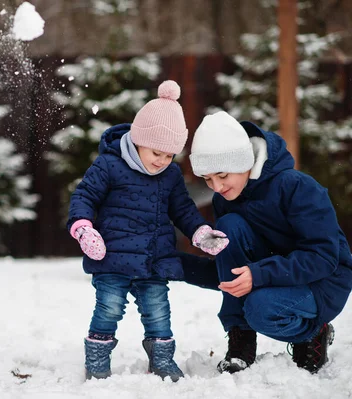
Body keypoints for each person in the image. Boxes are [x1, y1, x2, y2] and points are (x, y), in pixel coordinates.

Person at [67, 81, 229, 381]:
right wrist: (83, 228)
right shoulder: (109, 165)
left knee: (157, 311)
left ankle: (162, 359)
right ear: (138, 140)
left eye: (170, 156)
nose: (162, 160)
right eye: (156, 152)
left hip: (154, 258)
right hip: (111, 256)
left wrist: (201, 233)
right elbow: (84, 197)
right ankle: (97, 360)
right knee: (109, 308)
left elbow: (183, 210)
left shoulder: (169, 175)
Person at [188, 110, 352, 374]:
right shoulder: (225, 200)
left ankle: (312, 331)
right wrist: (172, 265)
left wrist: (259, 273)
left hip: (323, 280)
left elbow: (324, 257)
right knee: (228, 228)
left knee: (261, 308)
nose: (216, 187)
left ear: (243, 161)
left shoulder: (297, 187)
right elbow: (230, 273)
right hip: (272, 274)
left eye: (222, 175)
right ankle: (241, 338)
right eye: (208, 180)